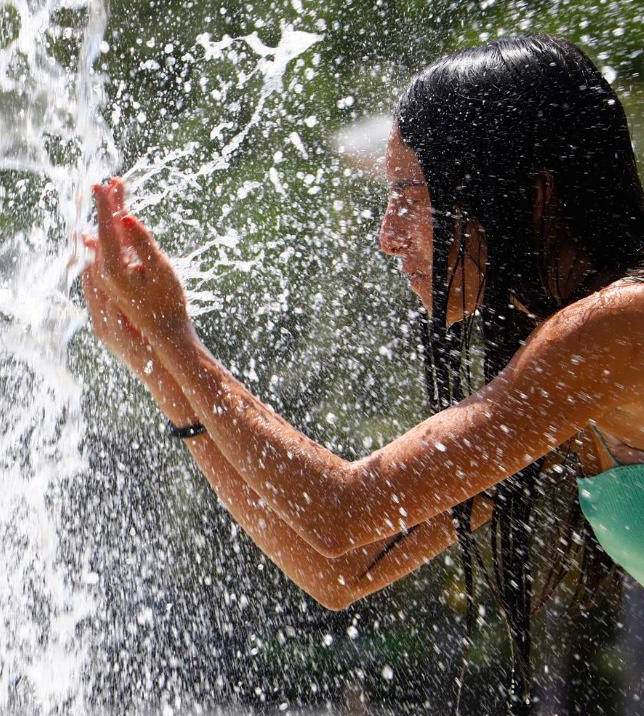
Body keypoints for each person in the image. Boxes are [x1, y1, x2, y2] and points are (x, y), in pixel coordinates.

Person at [82, 35, 644, 709]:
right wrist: (161, 367)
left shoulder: (618, 327)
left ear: (532, 194)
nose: (387, 231)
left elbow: (342, 511)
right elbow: (341, 569)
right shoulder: (563, 376)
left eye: (410, 192)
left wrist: (175, 335)